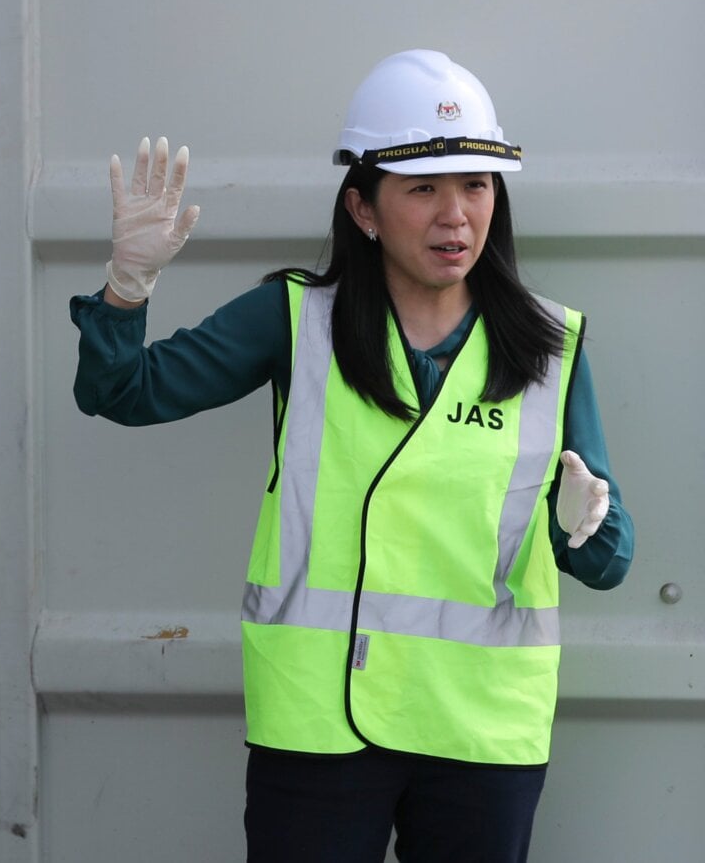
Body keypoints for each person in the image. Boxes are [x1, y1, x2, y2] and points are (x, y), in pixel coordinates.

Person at [69, 50, 634, 863]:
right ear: (364, 208)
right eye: (423, 189)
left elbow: (612, 561)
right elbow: (123, 394)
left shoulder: (550, 345)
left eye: (475, 185)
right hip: (318, 721)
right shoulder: (293, 320)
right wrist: (127, 287)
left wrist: (586, 527)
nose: (455, 216)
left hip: (481, 728)